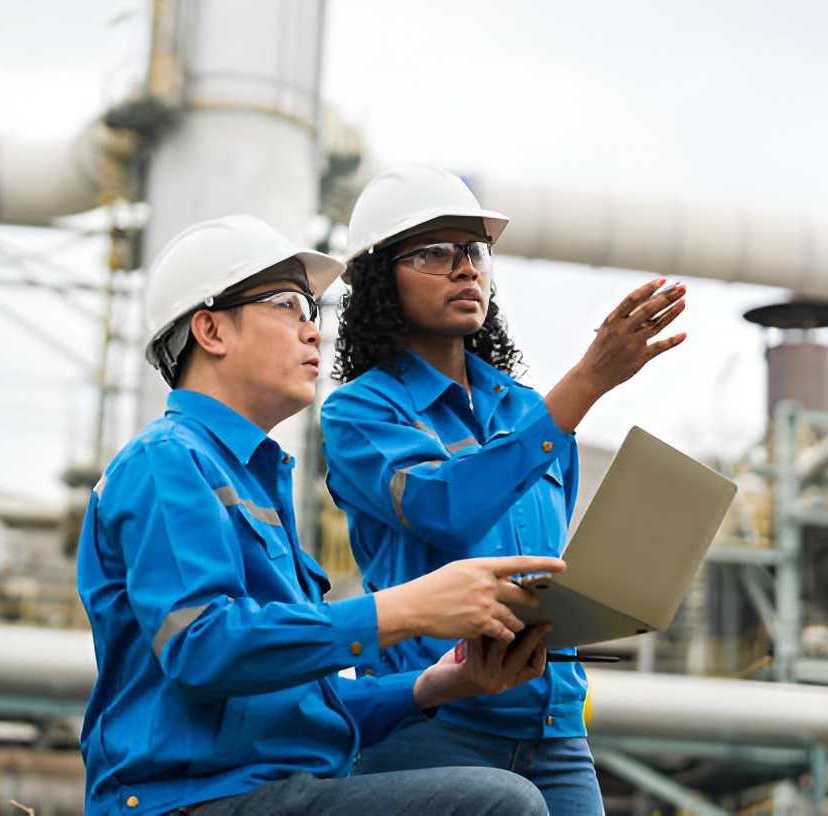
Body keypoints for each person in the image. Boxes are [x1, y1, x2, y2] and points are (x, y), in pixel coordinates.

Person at [76, 213, 571, 816]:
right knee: (498, 806)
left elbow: (307, 706)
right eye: (289, 306)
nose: (314, 332)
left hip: (270, 791)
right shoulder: (166, 461)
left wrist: (436, 685)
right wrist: (406, 608)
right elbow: (202, 648)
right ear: (210, 330)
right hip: (189, 801)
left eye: (314, 312)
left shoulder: (253, 477)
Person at [320, 165, 688, 814]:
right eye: (435, 252)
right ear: (379, 278)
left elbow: (547, 558)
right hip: (435, 727)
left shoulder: (526, 408)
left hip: (555, 732)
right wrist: (586, 384)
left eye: (474, 252)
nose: (465, 269)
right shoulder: (359, 415)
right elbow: (446, 509)